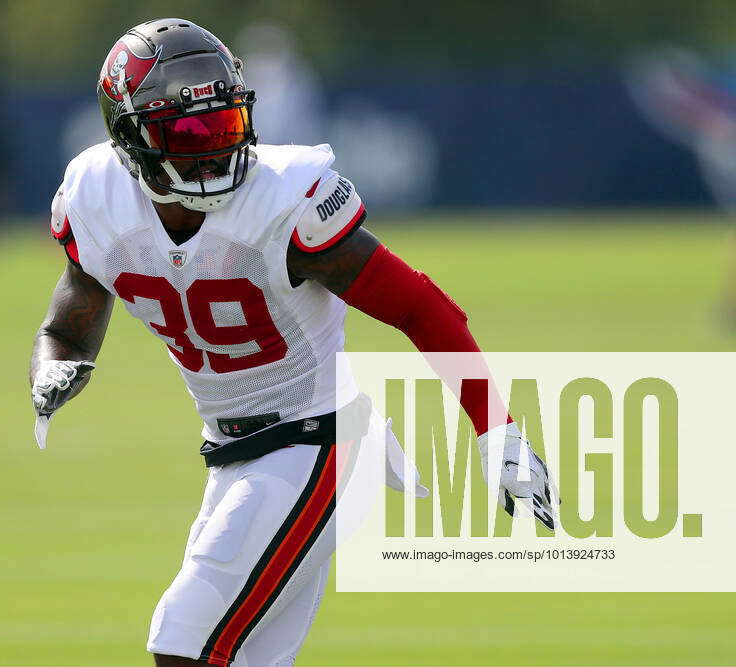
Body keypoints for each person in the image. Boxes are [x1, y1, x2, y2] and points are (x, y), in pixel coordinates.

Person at [29, 19, 554, 667]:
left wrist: (495, 429)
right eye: (190, 133)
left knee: (183, 638)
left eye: (224, 125)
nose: (216, 150)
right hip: (234, 453)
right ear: (131, 139)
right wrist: (56, 363)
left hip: (321, 442)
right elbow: (71, 314)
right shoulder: (94, 196)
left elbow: (420, 306)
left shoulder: (283, 201)